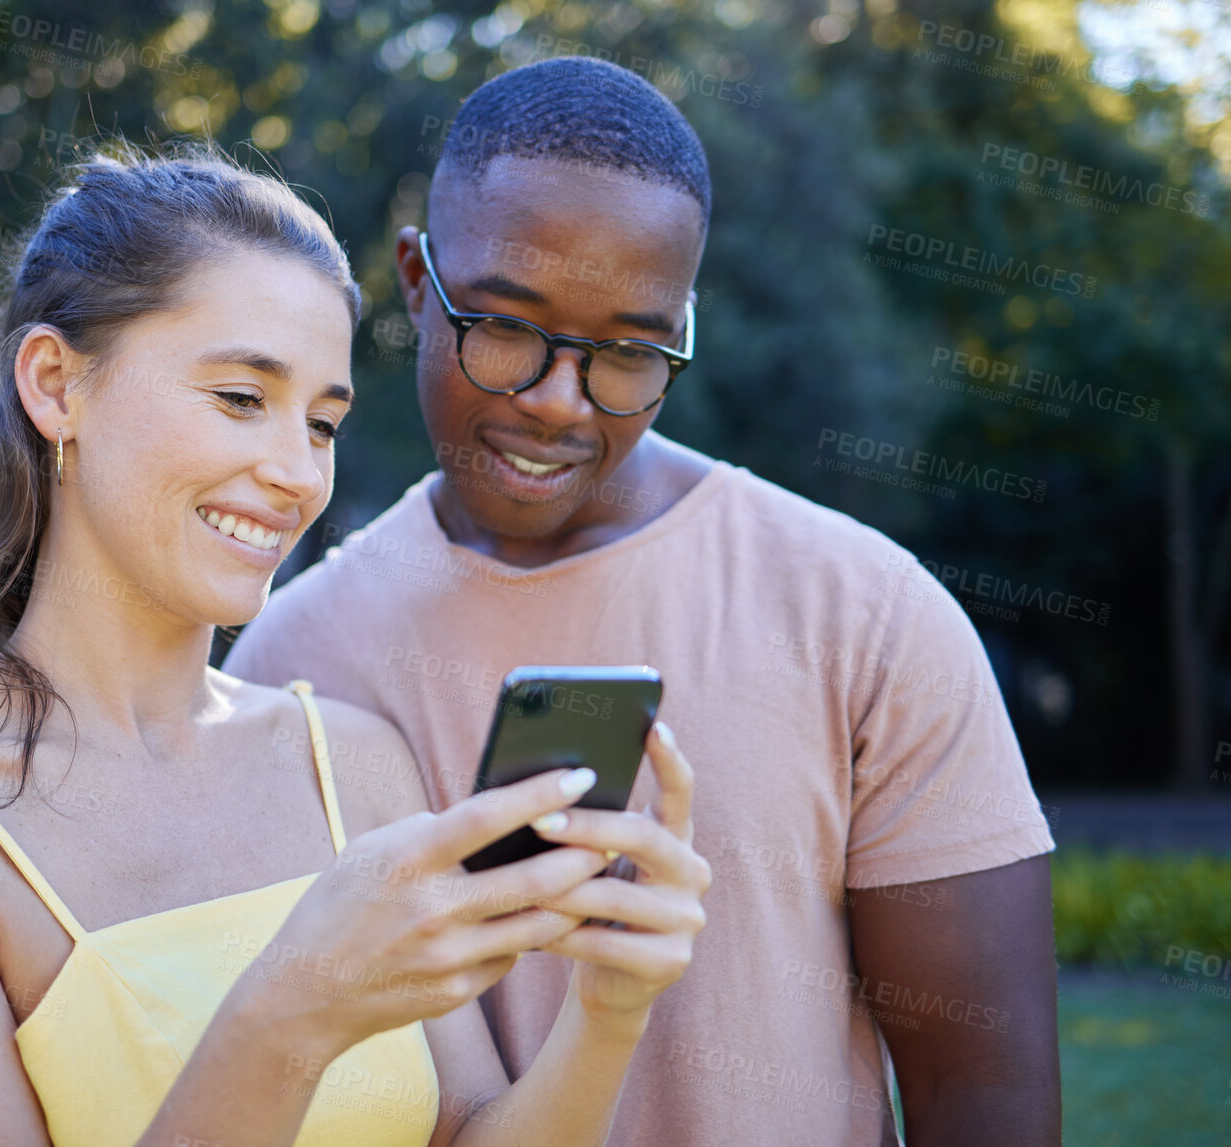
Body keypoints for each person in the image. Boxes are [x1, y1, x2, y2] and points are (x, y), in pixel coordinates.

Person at [0, 145, 711, 1147]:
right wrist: (293, 1010)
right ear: (56, 384)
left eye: (321, 423)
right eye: (240, 397)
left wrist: (607, 1011)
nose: (294, 475)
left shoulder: (351, 761)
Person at [224, 58, 1062, 1147]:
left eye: (627, 350)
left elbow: (981, 1090)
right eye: (506, 329)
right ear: (416, 281)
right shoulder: (285, 661)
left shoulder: (864, 612)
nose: (558, 406)